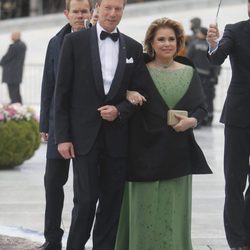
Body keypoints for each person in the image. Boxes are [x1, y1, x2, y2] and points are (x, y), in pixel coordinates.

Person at [54, 0, 148, 249]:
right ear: (97, 8)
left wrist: (120, 110)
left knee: (111, 203)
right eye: (108, 7)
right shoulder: (74, 42)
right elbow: (61, 92)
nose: (113, 13)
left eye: (118, 8)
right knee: (85, 201)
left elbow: (141, 93)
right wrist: (62, 137)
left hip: (117, 139)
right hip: (84, 138)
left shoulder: (134, 48)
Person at [114, 17, 212, 250]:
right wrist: (127, 92)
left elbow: (201, 108)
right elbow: (117, 91)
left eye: (172, 39)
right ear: (151, 43)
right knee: (143, 212)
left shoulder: (190, 71)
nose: (167, 43)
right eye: (161, 39)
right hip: (142, 153)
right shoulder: (138, 69)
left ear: (179, 42)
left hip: (177, 154)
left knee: (172, 212)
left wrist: (192, 121)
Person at [38, 0, 93, 249]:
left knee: (84, 191)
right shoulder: (55, 42)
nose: (80, 16)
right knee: (52, 183)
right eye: (75, 11)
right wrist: (44, 125)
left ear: (91, 12)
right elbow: (48, 84)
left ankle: (76, 242)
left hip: (87, 128)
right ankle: (52, 240)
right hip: (58, 126)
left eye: (84, 11)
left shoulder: (97, 40)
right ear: (66, 14)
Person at [207, 1, 250, 249]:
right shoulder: (234, 29)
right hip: (239, 116)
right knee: (235, 180)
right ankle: (237, 241)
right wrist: (213, 43)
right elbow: (216, 58)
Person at [187, 27, 221, 126]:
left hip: (196, 75)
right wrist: (214, 76)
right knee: (208, 98)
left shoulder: (194, 44)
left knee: (197, 97)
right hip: (208, 76)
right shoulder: (211, 45)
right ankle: (208, 118)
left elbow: (188, 58)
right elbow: (216, 63)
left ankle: (199, 119)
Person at [0, 31, 26, 104]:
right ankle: (19, 107)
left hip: (11, 74)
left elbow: (6, 58)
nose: (11, 37)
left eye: (12, 35)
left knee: (13, 94)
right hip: (17, 73)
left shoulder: (13, 46)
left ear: (16, 36)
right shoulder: (23, 45)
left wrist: (1, 62)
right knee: (16, 93)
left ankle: (16, 109)